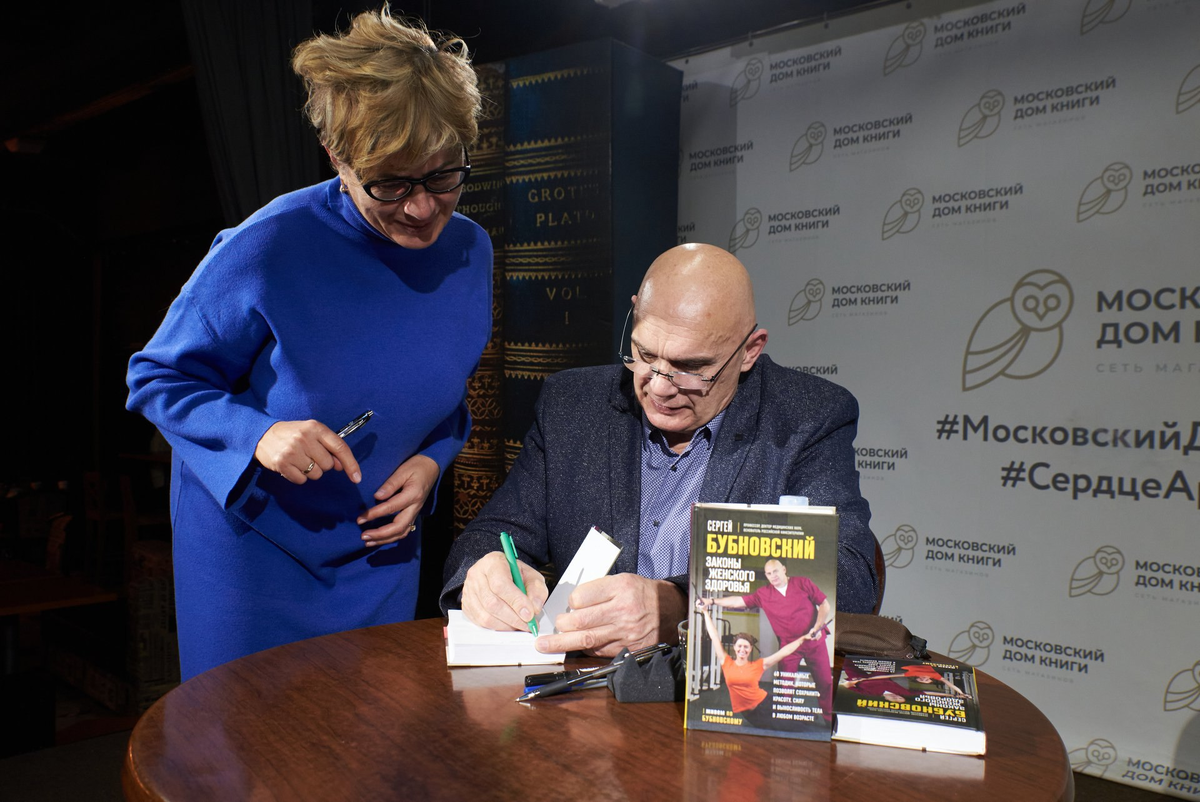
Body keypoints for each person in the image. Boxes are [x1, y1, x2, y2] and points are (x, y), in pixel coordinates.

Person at [126, 7, 491, 680]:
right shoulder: (268, 246)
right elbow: (155, 378)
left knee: (369, 736)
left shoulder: (470, 251)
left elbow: (443, 398)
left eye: (443, 176)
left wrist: (432, 462)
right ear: (336, 158)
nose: (421, 208)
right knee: (247, 738)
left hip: (380, 547)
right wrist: (259, 434)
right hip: (254, 557)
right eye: (390, 183)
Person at [441, 242, 876, 657]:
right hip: (583, 687)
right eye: (645, 354)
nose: (660, 387)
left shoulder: (808, 418)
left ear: (749, 351)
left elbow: (849, 577)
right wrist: (484, 574)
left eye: (691, 368)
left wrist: (680, 607)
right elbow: (489, 536)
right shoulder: (571, 405)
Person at [699, 559, 834, 720]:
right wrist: (711, 601)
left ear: (784, 569)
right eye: (769, 573)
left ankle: (828, 718)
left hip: (814, 640)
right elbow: (738, 601)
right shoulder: (763, 594)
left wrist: (817, 627)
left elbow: (825, 605)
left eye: (775, 571)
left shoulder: (803, 583)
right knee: (785, 687)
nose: (773, 576)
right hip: (789, 646)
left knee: (825, 682)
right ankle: (786, 718)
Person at [699, 606, 812, 728]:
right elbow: (714, 636)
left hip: (766, 701)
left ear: (750, 649)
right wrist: (705, 611)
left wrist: (802, 640)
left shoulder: (757, 665)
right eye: (739, 646)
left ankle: (810, 715)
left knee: (805, 715)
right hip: (753, 714)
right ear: (734, 647)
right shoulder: (726, 662)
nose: (742, 649)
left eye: (746, 647)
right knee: (797, 727)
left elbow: (783, 652)